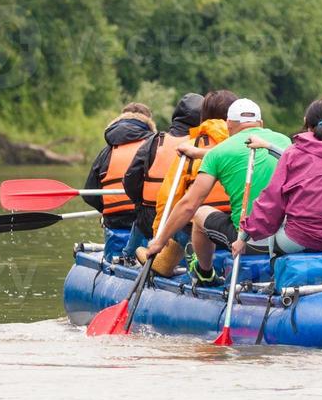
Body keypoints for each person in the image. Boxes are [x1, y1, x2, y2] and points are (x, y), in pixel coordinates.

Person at [142, 97, 291, 284]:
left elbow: (189, 205)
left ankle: (205, 273)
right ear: (260, 123)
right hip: (286, 238)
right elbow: (244, 153)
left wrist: (159, 241)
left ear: (228, 124)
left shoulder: (219, 153)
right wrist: (200, 154)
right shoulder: (284, 142)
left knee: (199, 213)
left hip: (249, 242)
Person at [137, 89, 237, 276]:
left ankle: (169, 261)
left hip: (200, 230)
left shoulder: (191, 148)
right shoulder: (247, 147)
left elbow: (169, 198)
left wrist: (160, 237)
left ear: (204, 116)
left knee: (180, 220)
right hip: (239, 228)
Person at [240, 99, 322, 255]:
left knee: (275, 227)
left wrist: (244, 236)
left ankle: (276, 272)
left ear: (305, 121)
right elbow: (314, 162)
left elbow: (272, 201)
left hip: (299, 238)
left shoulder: (293, 153)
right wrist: (267, 146)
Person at [121, 92, 203, 249]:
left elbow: (130, 180)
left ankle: (129, 254)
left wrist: (141, 205)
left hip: (149, 219)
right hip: (185, 223)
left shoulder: (154, 141)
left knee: (139, 218)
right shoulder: (203, 146)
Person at [82, 103, 156, 232]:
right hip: (148, 220)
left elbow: (89, 194)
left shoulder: (106, 152)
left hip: (115, 221)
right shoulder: (155, 147)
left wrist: (106, 210)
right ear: (149, 122)